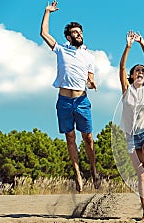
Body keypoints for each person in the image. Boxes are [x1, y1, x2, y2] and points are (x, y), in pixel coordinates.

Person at [40, 0, 100, 192]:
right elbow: (44, 34)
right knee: (70, 138)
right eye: (75, 32)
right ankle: (77, 174)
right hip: (64, 101)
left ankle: (93, 170)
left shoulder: (89, 56)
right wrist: (47, 12)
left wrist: (91, 82)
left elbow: (90, 78)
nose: (79, 34)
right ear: (68, 36)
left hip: (82, 100)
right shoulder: (61, 49)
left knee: (88, 138)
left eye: (80, 32)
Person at [119, 31, 144, 221]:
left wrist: (142, 44)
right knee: (141, 177)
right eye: (137, 71)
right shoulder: (126, 91)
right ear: (132, 76)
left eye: (143, 72)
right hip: (131, 138)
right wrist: (128, 46)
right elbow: (122, 66)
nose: (141, 73)